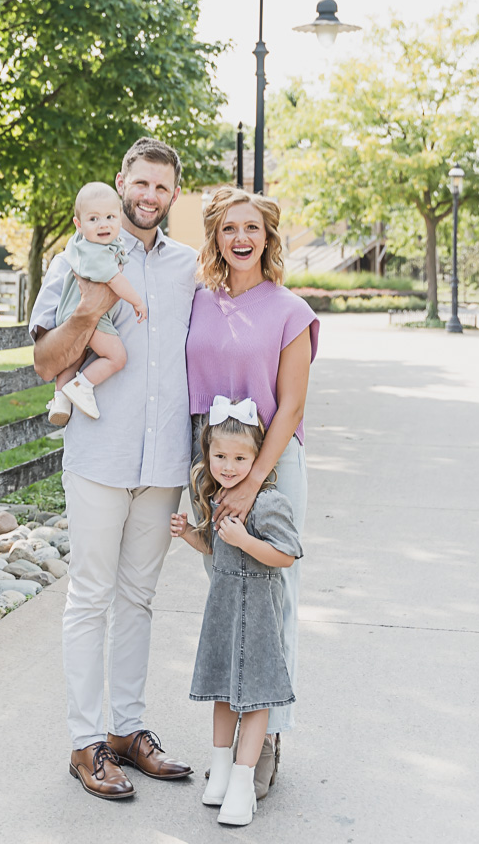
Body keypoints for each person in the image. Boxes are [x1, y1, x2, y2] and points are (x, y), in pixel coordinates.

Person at [30, 137, 197, 801]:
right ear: (121, 180)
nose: (148, 196)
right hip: (99, 457)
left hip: (162, 464)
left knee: (138, 599)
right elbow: (46, 363)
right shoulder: (77, 260)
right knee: (90, 596)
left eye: (162, 186)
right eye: (140, 182)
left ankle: (128, 731)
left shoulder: (188, 266)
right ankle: (85, 741)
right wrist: (90, 308)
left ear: (174, 194)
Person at [185, 185, 318, 800]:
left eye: (253, 229)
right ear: (216, 237)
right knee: (223, 592)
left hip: (270, 465)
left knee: (274, 597)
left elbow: (291, 405)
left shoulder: (290, 309)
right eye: (229, 228)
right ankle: (227, 741)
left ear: (268, 239)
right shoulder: (198, 302)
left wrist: (254, 482)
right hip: (214, 462)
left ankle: (267, 736)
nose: (241, 238)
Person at [171, 398, 302, 826]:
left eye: (240, 458)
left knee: (257, 696)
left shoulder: (268, 502)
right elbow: (216, 547)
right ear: (207, 455)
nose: (228, 466)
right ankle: (221, 769)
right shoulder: (216, 497)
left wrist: (246, 540)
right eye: (220, 456)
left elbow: (285, 555)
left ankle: (244, 782)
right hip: (225, 613)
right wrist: (191, 533)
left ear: (257, 456)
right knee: (223, 693)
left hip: (260, 616)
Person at [46, 181, 147, 428]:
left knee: (77, 355)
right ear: (78, 225)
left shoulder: (85, 245)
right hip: (88, 316)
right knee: (117, 357)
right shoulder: (95, 252)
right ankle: (81, 386)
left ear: (120, 218)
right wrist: (137, 302)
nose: (103, 224)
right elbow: (115, 280)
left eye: (110, 217)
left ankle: (60, 398)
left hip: (72, 314)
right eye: (93, 219)